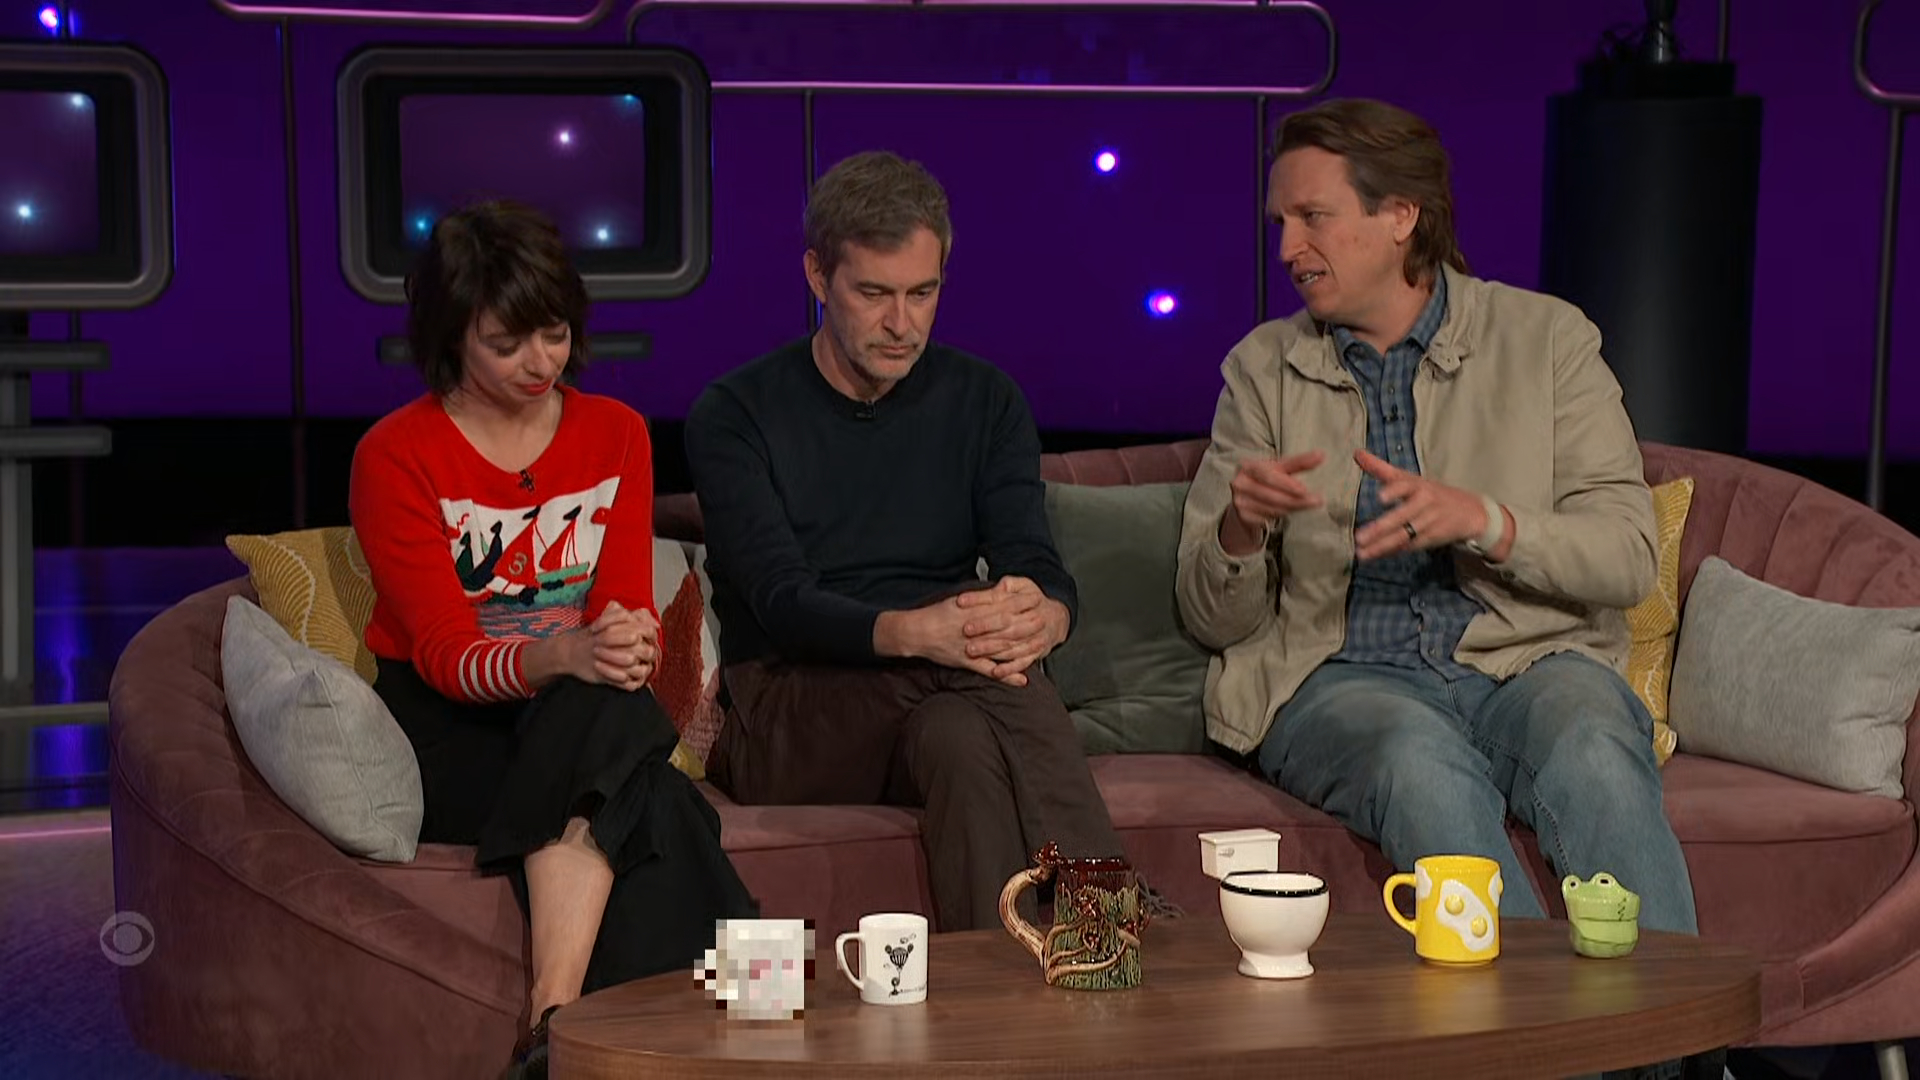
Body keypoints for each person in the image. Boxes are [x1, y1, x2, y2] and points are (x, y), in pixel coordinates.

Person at [1174, 99, 1700, 939]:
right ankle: (1526, 1023)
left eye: (1313, 217)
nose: (1288, 249)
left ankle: (1674, 1025)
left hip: (1528, 663)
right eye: (1281, 223)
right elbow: (1212, 621)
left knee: (1596, 746)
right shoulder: (1263, 371)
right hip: (1340, 680)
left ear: (1400, 216)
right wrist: (1240, 530)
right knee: (1420, 766)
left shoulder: (1548, 340)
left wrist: (1487, 521)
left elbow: (1629, 557)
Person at [349, 200, 757, 1080]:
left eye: (556, 334)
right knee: (657, 798)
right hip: (451, 727)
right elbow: (445, 656)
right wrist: (566, 654)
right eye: (508, 344)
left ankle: (553, 1030)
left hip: (581, 714)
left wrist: (630, 642)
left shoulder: (616, 432)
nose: (542, 363)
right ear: (452, 338)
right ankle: (751, 1011)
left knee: (611, 729)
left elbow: (621, 606)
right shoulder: (396, 454)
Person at [684, 150, 1136, 933]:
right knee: (979, 670)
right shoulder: (735, 414)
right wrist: (923, 634)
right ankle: (1111, 921)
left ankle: (1006, 983)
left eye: (922, 293)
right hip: (789, 713)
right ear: (818, 276)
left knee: (962, 741)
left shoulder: (985, 400)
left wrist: (1046, 616)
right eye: (874, 294)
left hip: (944, 696)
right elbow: (783, 603)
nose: (902, 324)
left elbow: (1032, 560)